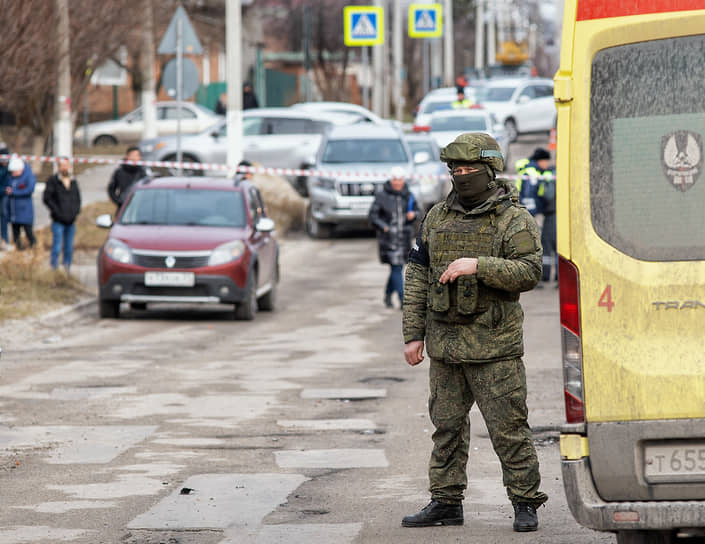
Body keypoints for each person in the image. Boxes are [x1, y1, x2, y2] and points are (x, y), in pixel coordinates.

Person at [401, 133, 547, 532]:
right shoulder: (437, 217)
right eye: (455, 170)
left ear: (489, 171)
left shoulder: (513, 219)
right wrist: (413, 334)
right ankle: (446, 502)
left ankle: (524, 502)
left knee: (509, 430)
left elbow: (531, 272)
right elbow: (417, 275)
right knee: (446, 429)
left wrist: (478, 265)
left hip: (494, 348)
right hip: (445, 347)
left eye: (469, 170)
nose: (461, 177)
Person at [368, 167, 421, 309]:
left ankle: (387, 295)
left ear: (404, 180)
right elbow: (373, 216)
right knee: (396, 268)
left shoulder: (409, 195)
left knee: (396, 269)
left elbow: (418, 211)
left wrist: (413, 215)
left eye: (400, 180)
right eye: (395, 180)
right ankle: (403, 299)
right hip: (388, 240)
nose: (397, 183)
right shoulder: (381, 196)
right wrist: (384, 227)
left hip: (404, 238)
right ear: (391, 180)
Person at [43, 157, 82, 270]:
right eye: (62, 165)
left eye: (66, 165)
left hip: (71, 220)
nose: (64, 168)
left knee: (69, 247)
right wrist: (56, 212)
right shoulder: (53, 181)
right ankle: (53, 268)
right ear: (58, 167)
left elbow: (77, 199)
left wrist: (75, 212)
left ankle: (67, 268)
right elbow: (47, 198)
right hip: (58, 220)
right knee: (57, 247)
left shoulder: (73, 181)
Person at [5, 157, 37, 250]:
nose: (13, 174)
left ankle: (33, 248)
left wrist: (13, 192)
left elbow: (29, 190)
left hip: (25, 211)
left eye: (14, 172)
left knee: (28, 232)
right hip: (13, 211)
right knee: (15, 234)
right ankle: (18, 250)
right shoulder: (11, 177)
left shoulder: (29, 176)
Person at [536, 157, 557, 286]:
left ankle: (547, 275)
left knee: (550, 244)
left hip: (552, 214)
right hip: (556, 213)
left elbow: (548, 195)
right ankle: (553, 276)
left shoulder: (550, 175)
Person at [108, 146, 147, 212]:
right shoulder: (119, 172)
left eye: (137, 156)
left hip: (140, 207)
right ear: (127, 156)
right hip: (124, 207)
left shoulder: (143, 172)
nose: (135, 158)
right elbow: (111, 189)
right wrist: (118, 202)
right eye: (133, 155)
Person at [515, 148, 552, 217]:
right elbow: (528, 194)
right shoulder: (532, 172)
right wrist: (531, 213)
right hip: (528, 206)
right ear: (540, 161)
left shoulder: (536, 170)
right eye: (546, 161)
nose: (547, 164)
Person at [0, 144, 10, 250]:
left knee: (4, 215)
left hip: (4, 195)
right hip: (2, 192)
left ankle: (5, 239)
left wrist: (9, 188)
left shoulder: (9, 166)